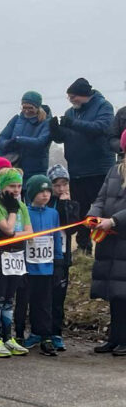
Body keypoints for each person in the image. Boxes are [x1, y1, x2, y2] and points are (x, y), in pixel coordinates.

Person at [50, 78, 115, 254]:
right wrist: (55, 131)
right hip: (77, 170)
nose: (71, 100)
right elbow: (63, 137)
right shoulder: (71, 112)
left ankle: (105, 247)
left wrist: (72, 123)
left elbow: (101, 127)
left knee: (101, 210)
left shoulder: (104, 107)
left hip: (99, 170)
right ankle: (83, 247)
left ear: (84, 95)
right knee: (81, 211)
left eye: (73, 97)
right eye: (69, 97)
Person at [0, 168, 32, 357]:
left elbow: (29, 232)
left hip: (17, 256)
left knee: (10, 298)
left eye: (19, 186)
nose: (16, 190)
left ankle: (7, 336)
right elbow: (8, 229)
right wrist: (12, 211)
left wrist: (13, 234)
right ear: (3, 187)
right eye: (12, 186)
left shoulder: (22, 206)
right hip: (0, 257)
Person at [86, 132, 126, 356]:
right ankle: (114, 338)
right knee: (114, 292)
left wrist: (115, 220)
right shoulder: (114, 171)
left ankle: (124, 340)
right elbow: (101, 198)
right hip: (109, 241)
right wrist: (93, 215)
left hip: (122, 238)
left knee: (124, 292)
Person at [20, 176, 62, 356]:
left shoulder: (53, 214)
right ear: (32, 193)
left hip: (47, 267)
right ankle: (22, 334)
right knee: (24, 301)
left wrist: (58, 262)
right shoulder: (24, 212)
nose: (45, 195)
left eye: (48, 191)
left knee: (44, 302)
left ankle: (44, 335)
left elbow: (57, 237)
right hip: (28, 266)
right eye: (41, 191)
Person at [46, 165, 79, 351]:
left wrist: (66, 205)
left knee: (59, 297)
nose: (61, 189)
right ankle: (41, 331)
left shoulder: (72, 204)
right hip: (44, 255)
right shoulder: (46, 202)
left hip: (62, 256)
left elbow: (71, 228)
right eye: (56, 185)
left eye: (64, 184)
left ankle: (56, 333)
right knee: (44, 296)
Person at [0, 92, 52, 181]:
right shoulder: (16, 120)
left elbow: (41, 142)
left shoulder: (46, 123)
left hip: (36, 170)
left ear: (38, 108)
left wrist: (19, 140)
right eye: (24, 107)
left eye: (30, 108)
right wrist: (8, 144)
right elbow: (1, 139)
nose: (26, 111)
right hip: (14, 167)